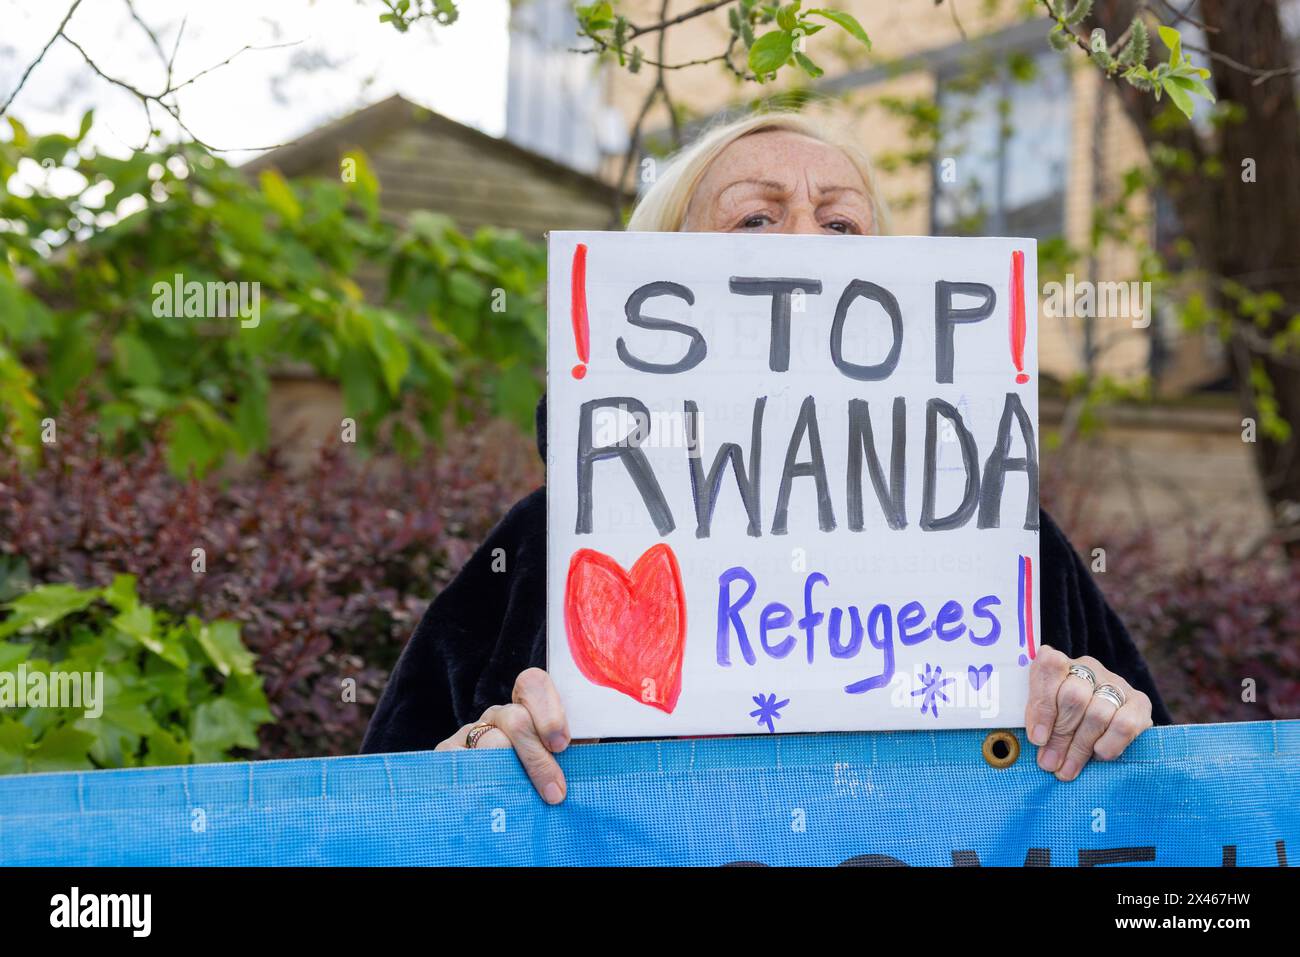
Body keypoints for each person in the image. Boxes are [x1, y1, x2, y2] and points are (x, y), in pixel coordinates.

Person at [361, 109, 1172, 805]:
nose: (807, 247)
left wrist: (1110, 723)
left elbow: (1170, 804)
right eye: (756, 217)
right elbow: (382, 813)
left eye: (842, 223)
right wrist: (467, 773)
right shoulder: (543, 543)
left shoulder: (1003, 534)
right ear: (660, 276)